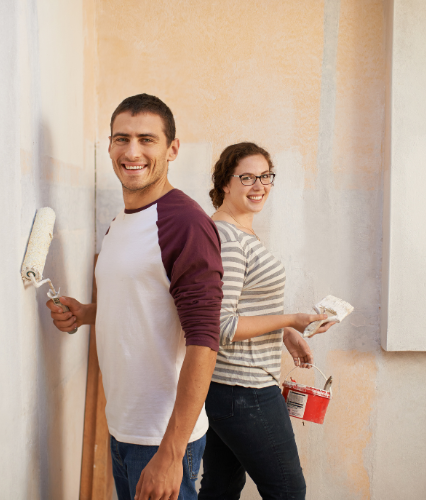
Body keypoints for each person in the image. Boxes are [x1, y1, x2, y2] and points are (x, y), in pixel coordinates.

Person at [46, 94, 224, 500]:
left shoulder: (185, 224)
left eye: (147, 139)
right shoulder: (120, 222)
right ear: (109, 146)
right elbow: (146, 303)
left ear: (172, 148)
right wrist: (88, 313)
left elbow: (204, 342)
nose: (132, 152)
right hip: (124, 424)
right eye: (121, 138)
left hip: (162, 438)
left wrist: (170, 454)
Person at [198, 142, 336, 500]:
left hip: (225, 388)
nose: (259, 186)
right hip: (246, 390)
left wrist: (286, 330)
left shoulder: (238, 232)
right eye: (247, 177)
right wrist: (290, 317)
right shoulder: (228, 238)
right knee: (288, 491)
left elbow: (238, 306)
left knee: (221, 489)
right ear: (225, 183)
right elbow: (222, 325)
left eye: (266, 176)